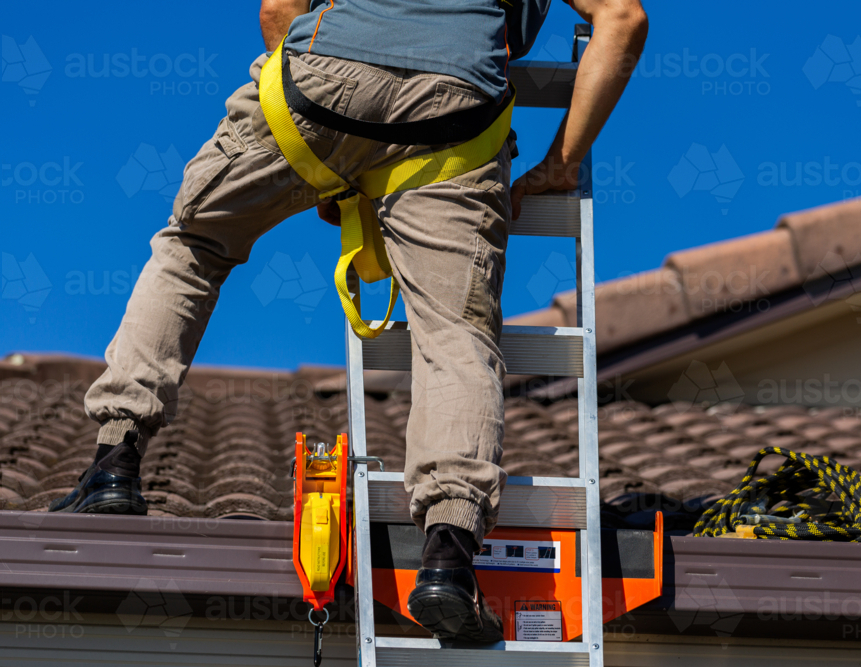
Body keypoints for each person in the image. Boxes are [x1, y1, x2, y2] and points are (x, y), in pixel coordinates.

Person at [49, 0, 647, 642]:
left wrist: (332, 168)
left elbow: (280, 8)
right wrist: (562, 159)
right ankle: (447, 553)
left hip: (323, 88)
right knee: (455, 335)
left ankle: (117, 457)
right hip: (454, 116)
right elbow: (622, 17)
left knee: (195, 246)